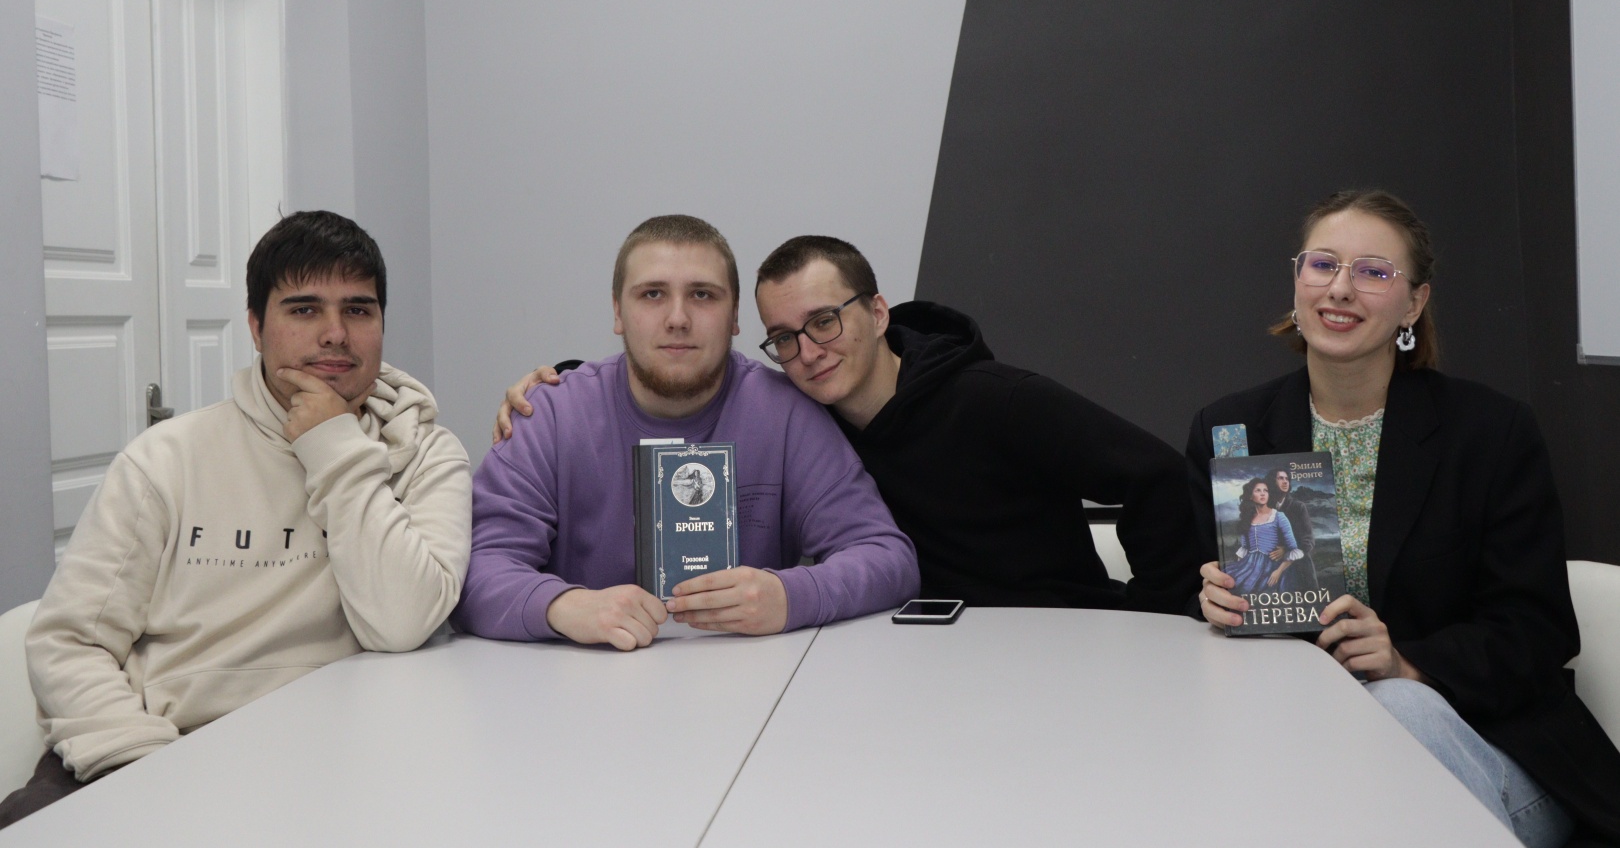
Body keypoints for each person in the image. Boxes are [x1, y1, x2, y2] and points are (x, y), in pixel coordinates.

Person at [0, 211, 472, 830]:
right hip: (151, 750)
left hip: (333, 762)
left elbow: (403, 622)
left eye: (358, 309)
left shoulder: (427, 456)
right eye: (304, 309)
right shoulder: (166, 459)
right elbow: (69, 644)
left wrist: (334, 446)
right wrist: (151, 769)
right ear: (255, 326)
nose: (335, 334)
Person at [1190, 189, 1620, 847]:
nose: (1340, 288)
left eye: (1373, 272)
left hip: (1490, 749)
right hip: (1300, 750)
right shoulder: (1231, 430)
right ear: (1298, 280)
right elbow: (1180, 603)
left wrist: (1407, 664)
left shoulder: (1490, 432)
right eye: (1323, 264)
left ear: (1414, 304)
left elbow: (1537, 632)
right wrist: (1208, 601)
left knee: (1399, 706)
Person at [496, 235, 1202, 613]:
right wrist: (563, 387)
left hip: (1058, 639)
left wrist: (1157, 620)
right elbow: (488, 559)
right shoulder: (805, 411)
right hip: (915, 656)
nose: (809, 350)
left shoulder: (993, 401)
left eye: (826, 321)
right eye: (785, 337)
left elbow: (1156, 476)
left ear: (879, 312)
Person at [452, 216, 918, 651]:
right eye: (652, 294)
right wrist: (562, 606)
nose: (677, 318)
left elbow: (887, 558)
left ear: (735, 316)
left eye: (702, 295)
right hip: (581, 683)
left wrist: (789, 595)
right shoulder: (548, 415)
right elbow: (472, 574)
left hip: (746, 685)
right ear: (618, 311)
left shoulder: (787, 413)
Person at [1222, 478, 1298, 596]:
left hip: (1272, 567)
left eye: (1265, 490)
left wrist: (1278, 572)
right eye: (1258, 490)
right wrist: (1241, 570)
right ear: (1251, 496)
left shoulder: (1279, 517)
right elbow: (1244, 549)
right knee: (1231, 582)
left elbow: (1293, 549)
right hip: (1249, 565)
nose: (1263, 493)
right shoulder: (1247, 519)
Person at [1262, 466, 1317, 590]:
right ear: (1272, 481)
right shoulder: (1266, 507)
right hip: (1272, 567)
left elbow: (1308, 541)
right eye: (1281, 478)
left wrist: (1286, 549)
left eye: (1287, 479)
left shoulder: (1298, 507)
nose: (1285, 481)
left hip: (1299, 568)